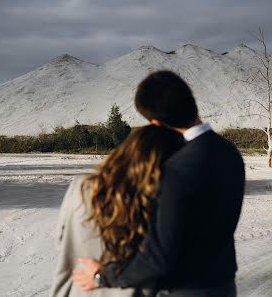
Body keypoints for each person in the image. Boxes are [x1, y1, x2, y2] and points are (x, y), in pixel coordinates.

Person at [74, 70, 245, 297]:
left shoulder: (176, 170)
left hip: (184, 290)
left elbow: (158, 257)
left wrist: (102, 276)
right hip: (224, 287)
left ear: (156, 122)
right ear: (190, 100)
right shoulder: (230, 153)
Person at [50, 125, 184, 297]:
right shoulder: (156, 202)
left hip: (78, 289)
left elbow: (61, 239)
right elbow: (158, 260)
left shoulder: (81, 186)